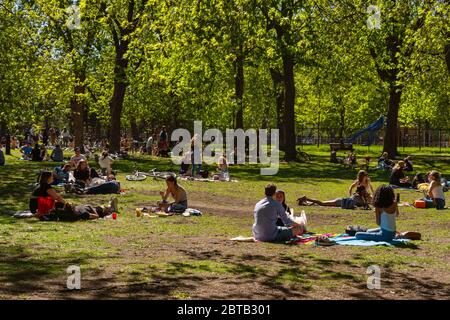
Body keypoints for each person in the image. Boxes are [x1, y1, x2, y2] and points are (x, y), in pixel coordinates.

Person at [30, 171, 118, 221]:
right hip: (38, 207)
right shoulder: (46, 186)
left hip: (36, 207)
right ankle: (109, 208)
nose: (53, 178)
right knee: (93, 209)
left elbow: (54, 198)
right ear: (48, 178)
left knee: (91, 208)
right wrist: (67, 203)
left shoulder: (41, 185)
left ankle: (108, 207)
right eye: (52, 177)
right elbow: (57, 198)